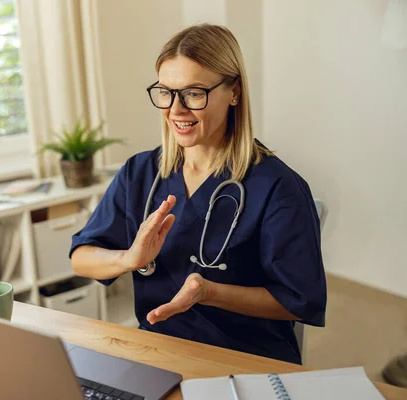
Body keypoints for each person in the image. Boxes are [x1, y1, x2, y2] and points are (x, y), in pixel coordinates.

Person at [69, 23, 326, 365]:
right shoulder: (141, 173)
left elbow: (299, 299)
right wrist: (129, 258)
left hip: (245, 357)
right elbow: (81, 256)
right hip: (158, 351)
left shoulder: (278, 187)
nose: (175, 110)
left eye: (193, 93)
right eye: (165, 92)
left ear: (234, 92)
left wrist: (209, 292)